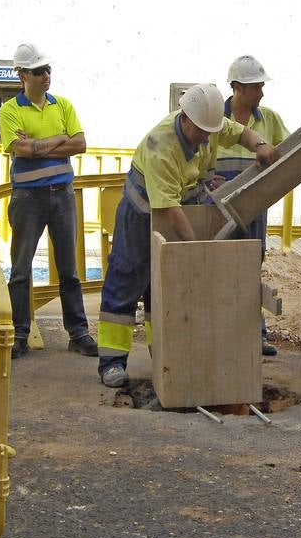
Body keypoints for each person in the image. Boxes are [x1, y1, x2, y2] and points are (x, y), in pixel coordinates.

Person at [96, 83, 279, 388]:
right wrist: (197, 249)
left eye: (211, 131)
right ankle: (112, 362)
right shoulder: (161, 146)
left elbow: (239, 133)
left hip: (176, 206)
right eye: (202, 132)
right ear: (185, 119)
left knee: (164, 286)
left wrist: (259, 145)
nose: (207, 138)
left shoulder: (208, 125)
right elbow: (169, 210)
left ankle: (165, 356)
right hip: (141, 216)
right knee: (126, 280)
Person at [0, 42, 97, 360]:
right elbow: (21, 150)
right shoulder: (10, 109)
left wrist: (39, 144)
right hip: (28, 198)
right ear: (22, 75)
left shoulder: (63, 105)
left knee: (69, 269)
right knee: (22, 270)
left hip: (62, 196)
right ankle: (19, 334)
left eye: (48, 70)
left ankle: (78, 333)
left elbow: (80, 144)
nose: (46, 76)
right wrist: (58, 141)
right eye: (39, 71)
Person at [214, 55, 290, 356]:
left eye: (261, 86)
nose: (261, 93)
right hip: (218, 206)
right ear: (236, 88)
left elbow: (287, 156)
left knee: (249, 269)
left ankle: (253, 336)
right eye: (255, 87)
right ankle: (220, 335)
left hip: (255, 206)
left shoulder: (268, 119)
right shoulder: (213, 118)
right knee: (217, 267)